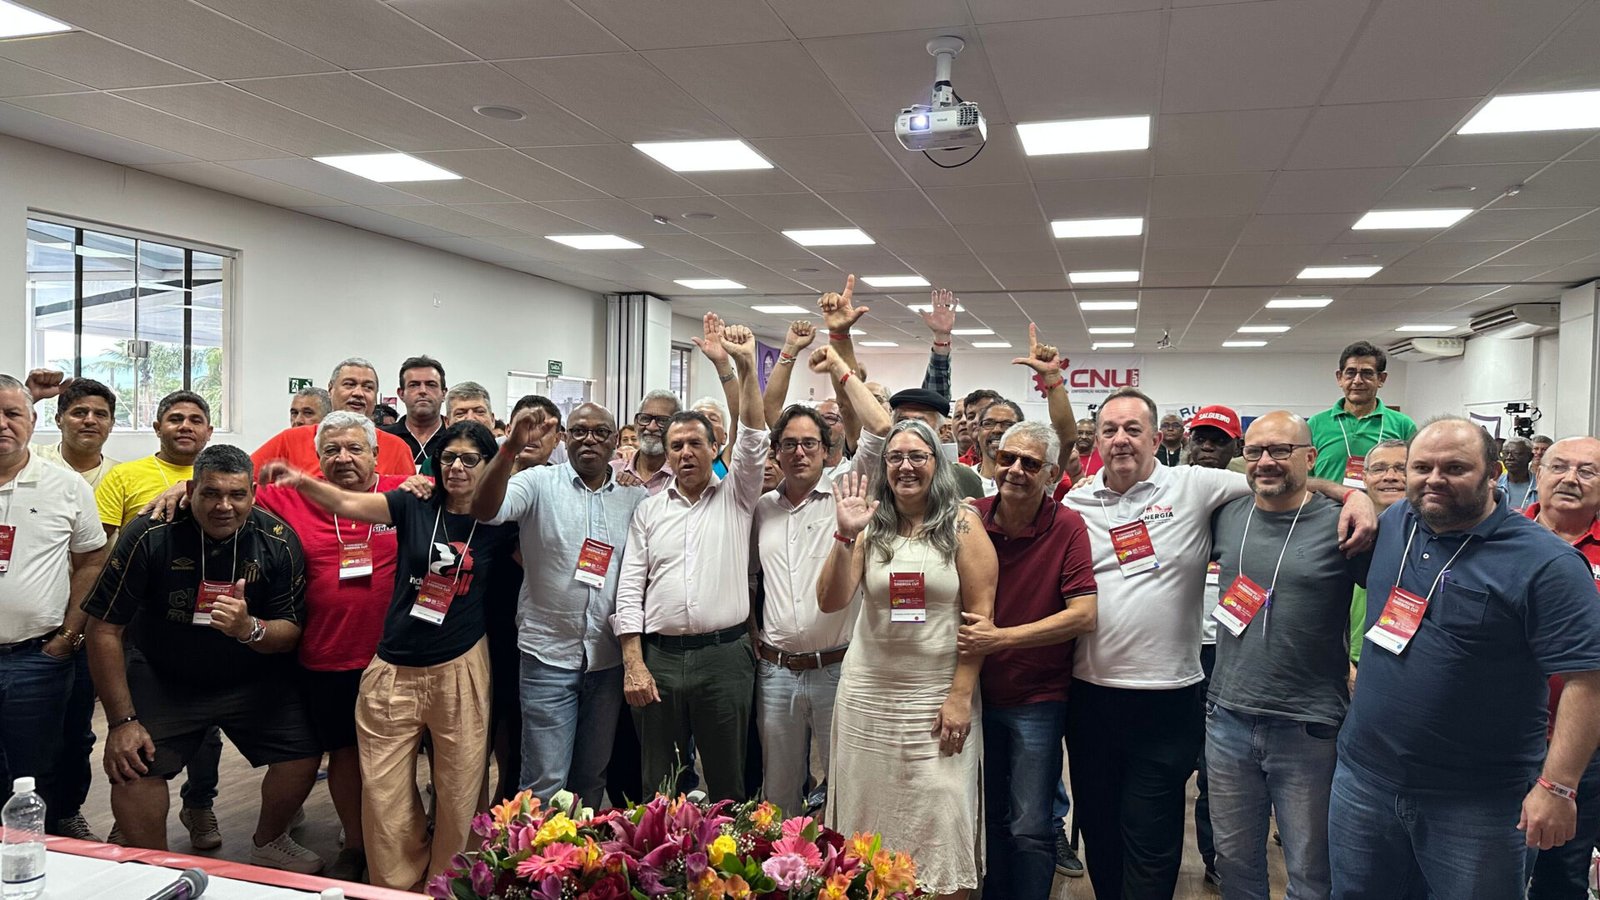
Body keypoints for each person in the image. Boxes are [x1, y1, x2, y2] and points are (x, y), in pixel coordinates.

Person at [1060, 386, 1374, 900]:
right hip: (1091, 692)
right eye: (1110, 430)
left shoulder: (1195, 484)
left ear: (1156, 438)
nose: (1121, 439)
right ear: (1096, 440)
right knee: (1100, 827)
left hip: (1170, 695)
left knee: (1153, 833)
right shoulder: (1075, 501)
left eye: (1133, 429)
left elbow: (1277, 478)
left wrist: (1352, 494)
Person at [1331, 419, 1600, 900]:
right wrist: (1352, 495)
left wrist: (1558, 786)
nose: (1434, 479)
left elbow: (1588, 679)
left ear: (1493, 473)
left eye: (1455, 468)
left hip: (1479, 802)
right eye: (1421, 468)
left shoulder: (1547, 562)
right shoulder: (1395, 522)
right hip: (1365, 780)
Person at [148, 411, 408, 882]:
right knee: (345, 754)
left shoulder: (400, 492)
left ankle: (397, 841)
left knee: (394, 755)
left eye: (354, 448)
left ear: (375, 454)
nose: (343, 457)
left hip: (390, 657)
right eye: (331, 450)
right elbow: (227, 489)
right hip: (326, 655)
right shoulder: (290, 495)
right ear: (317, 457)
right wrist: (180, 488)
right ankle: (355, 843)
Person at [262, 421, 518, 891]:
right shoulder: (414, 502)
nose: (457, 468)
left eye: (469, 459)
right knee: (383, 788)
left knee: (460, 786)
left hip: (460, 663)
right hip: (394, 663)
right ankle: (397, 884)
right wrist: (300, 481)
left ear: (488, 466)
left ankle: (451, 883)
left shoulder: (502, 522)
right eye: (448, 458)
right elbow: (348, 503)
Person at [82, 445, 323, 872]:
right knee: (131, 763)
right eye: (211, 493)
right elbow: (103, 628)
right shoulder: (149, 533)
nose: (224, 506)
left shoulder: (278, 541)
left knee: (303, 751)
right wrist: (121, 722)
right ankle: (156, 865)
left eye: (237, 495)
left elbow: (289, 631)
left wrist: (249, 628)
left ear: (253, 494)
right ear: (190, 490)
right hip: (164, 675)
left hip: (251, 677)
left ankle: (270, 841)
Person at [821, 419, 997, 898]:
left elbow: (980, 621)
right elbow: (830, 601)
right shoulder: (869, 525)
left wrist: (961, 696)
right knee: (866, 816)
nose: (905, 466)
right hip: (867, 698)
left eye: (917, 456)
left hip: (936, 698)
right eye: (895, 457)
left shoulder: (963, 525)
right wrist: (843, 536)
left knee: (941, 811)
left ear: (937, 463)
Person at [1206, 412, 1370, 900]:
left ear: (1309, 457)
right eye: (1255, 451)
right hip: (1227, 718)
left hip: (1308, 726)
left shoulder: (1342, 522)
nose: (1266, 461)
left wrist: (1355, 494)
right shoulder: (1228, 514)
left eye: (1281, 450)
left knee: (1310, 870)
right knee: (1233, 862)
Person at [615, 315, 767, 801]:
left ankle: (729, 853)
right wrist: (633, 662)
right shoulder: (648, 510)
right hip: (660, 658)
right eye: (676, 446)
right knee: (659, 785)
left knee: (728, 784)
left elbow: (753, 437)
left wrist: (734, 368)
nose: (685, 453)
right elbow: (629, 588)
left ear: (714, 448)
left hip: (725, 657)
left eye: (695, 444)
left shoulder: (737, 496)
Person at [470, 401, 646, 810]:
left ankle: (580, 850)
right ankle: (537, 852)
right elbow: (485, 510)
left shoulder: (634, 497)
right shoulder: (537, 482)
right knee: (545, 780)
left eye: (599, 432)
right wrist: (509, 448)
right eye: (579, 431)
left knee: (591, 776)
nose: (589, 440)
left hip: (606, 659)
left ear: (615, 442)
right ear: (565, 438)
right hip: (547, 656)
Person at [957, 420, 1097, 900]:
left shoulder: (1067, 525)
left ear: (1052, 473)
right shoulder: (970, 517)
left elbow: (1083, 615)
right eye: (1007, 458)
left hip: (1037, 698)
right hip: (975, 695)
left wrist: (1001, 639)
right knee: (990, 816)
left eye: (1030, 463)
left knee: (1031, 823)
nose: (1015, 469)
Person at [751, 345, 889, 817]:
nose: (799, 452)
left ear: (827, 450)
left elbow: (880, 428)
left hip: (837, 669)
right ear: (776, 452)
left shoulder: (848, 490)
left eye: (810, 443)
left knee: (844, 789)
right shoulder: (762, 508)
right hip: (776, 673)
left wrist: (840, 367)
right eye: (789, 444)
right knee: (778, 794)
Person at [93, 389, 226, 848]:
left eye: (195, 419)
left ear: (209, 431)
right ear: (157, 427)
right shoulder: (126, 476)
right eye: (175, 418)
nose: (185, 426)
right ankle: (133, 815)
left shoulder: (225, 474)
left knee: (207, 730)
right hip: (141, 622)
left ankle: (200, 804)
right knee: (141, 718)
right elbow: (100, 548)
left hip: (209, 620)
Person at [0, 374, 109, 813]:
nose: (3, 424)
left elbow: (93, 560)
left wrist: (67, 636)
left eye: (12, 413)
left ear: (32, 419)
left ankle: (40, 840)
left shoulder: (65, 485)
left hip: (35, 659)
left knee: (36, 769)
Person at [21, 371, 120, 841]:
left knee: (75, 729)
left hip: (88, 622)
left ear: (112, 424)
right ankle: (22, 820)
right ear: (58, 419)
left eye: (100, 414)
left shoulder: (121, 475)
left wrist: (71, 633)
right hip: (32, 621)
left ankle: (65, 812)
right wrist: (29, 395)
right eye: (79, 412)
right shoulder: (33, 461)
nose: (89, 420)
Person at [1524, 436, 1600, 900]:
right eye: (1559, 467)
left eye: (1587, 471)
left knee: (1563, 871)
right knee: (1485, 862)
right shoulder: (1498, 535)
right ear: (1539, 474)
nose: (1570, 479)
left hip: (1584, 746)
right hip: (1498, 740)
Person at [1184, 402, 1245, 886]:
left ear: (1235, 447)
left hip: (1228, 652)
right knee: (1167, 766)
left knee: (1217, 771)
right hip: (1176, 649)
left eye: (1218, 440)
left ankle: (1216, 862)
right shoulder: (1172, 490)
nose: (1207, 447)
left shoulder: (1248, 498)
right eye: (1200, 438)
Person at [252, 358, 416, 479]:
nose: (358, 393)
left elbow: (410, 505)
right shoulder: (290, 440)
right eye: (349, 384)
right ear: (330, 389)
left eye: (368, 387)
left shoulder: (397, 448)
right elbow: (244, 483)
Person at [1307, 341, 1418, 488]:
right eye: (1350, 373)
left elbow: (1415, 474)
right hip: (1327, 503)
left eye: (1367, 373)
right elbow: (1304, 478)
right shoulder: (1315, 424)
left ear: (1381, 379)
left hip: (1384, 503)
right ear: (1339, 377)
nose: (1357, 381)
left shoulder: (1403, 425)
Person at [1347, 438, 1408, 670]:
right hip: (1348, 658)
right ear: (1364, 477)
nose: (1390, 476)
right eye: (1379, 469)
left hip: (1403, 663)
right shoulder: (1343, 529)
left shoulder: (1434, 535)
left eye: (1401, 468)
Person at [888, 388, 985, 500]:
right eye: (902, 422)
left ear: (942, 431)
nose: (909, 429)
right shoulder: (881, 474)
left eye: (919, 423)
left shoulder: (963, 479)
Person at [382, 355, 449, 472]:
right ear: (401, 394)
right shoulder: (382, 438)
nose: (423, 391)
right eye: (414, 385)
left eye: (431, 385)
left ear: (444, 393)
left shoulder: (455, 439)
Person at [612, 390, 679, 495]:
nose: (651, 427)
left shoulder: (682, 477)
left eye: (662, 420)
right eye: (645, 418)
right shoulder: (613, 471)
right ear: (636, 423)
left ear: (677, 426)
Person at [1499, 436, 1538, 511]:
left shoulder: (1540, 486)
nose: (1509, 457)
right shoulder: (1494, 486)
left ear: (1530, 457)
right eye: (1505, 453)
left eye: (1516, 453)